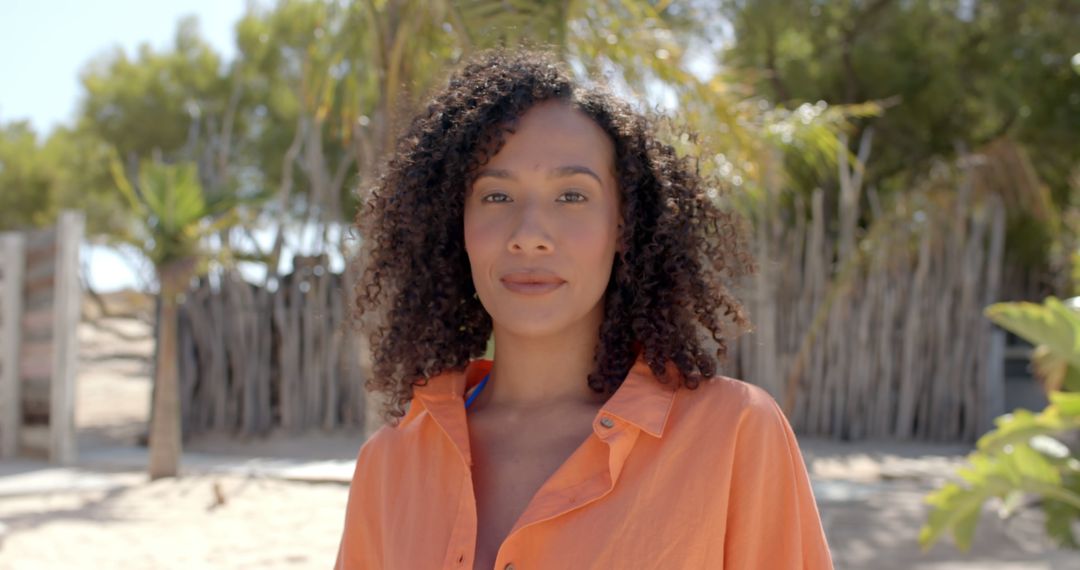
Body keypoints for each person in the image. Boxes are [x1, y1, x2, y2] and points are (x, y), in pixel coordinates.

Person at [336, 49, 833, 570]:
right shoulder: (389, 463)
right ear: (454, 226)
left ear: (624, 227)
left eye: (572, 196)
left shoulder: (733, 436)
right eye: (497, 197)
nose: (529, 236)